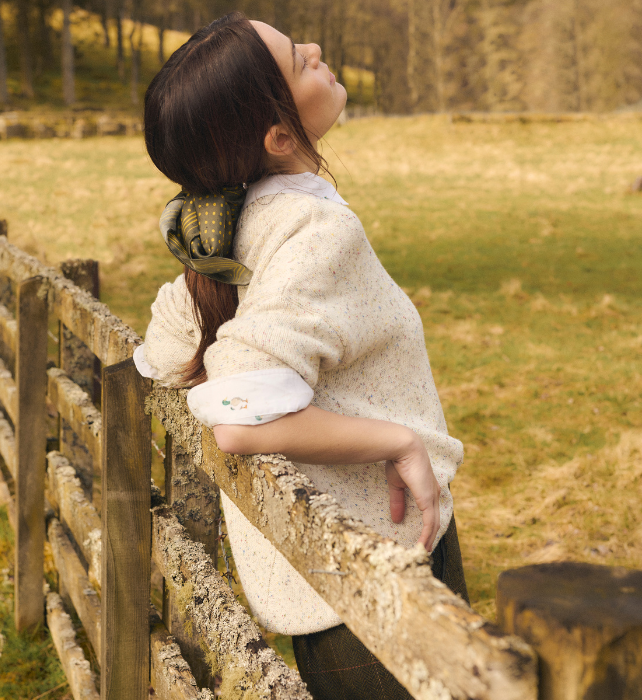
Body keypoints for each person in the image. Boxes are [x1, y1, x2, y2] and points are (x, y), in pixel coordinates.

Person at [135, 12, 469, 700]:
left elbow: (164, 350)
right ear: (279, 135)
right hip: (380, 564)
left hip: (327, 570)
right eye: (296, 61)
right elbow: (239, 415)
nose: (315, 51)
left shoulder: (238, 227)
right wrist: (399, 440)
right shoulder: (312, 228)